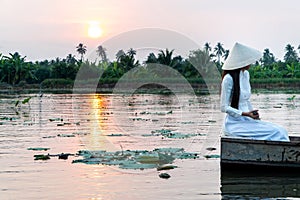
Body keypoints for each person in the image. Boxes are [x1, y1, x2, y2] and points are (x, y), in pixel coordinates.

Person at [220, 42, 290, 142]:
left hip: (248, 121)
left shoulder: (246, 74)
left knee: (281, 130)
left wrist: (253, 114)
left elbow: (246, 101)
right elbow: (224, 107)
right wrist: (245, 114)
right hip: (235, 124)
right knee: (277, 132)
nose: (251, 63)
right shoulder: (228, 79)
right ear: (242, 61)